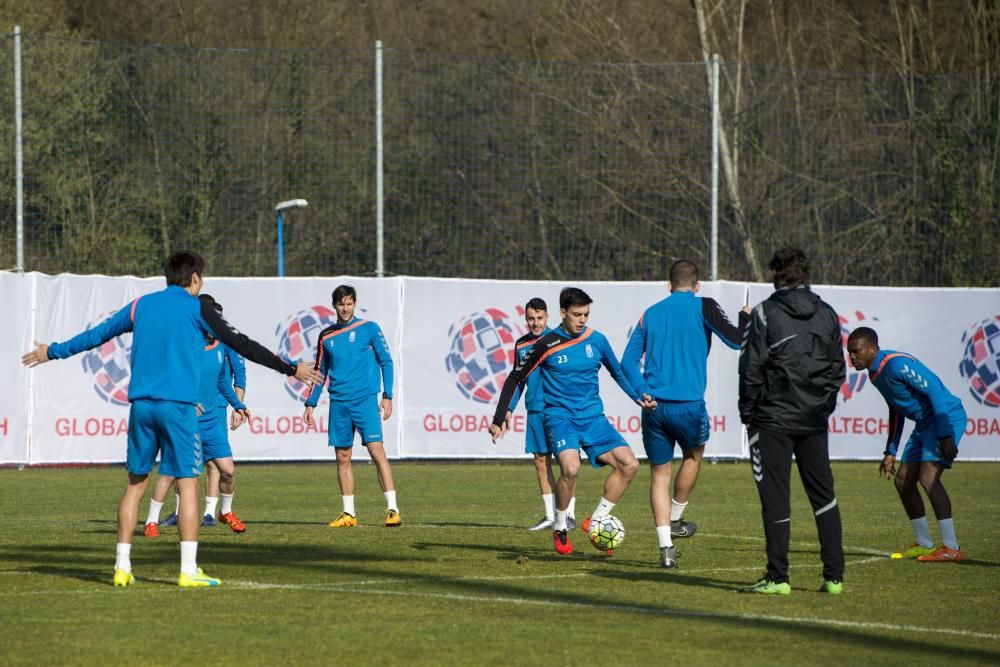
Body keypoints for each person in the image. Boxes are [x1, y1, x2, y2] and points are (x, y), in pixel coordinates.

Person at [21, 251, 322, 588]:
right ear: (194, 279)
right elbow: (242, 343)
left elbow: (97, 335)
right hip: (178, 408)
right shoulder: (198, 308)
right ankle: (188, 570)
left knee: (135, 485)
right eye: (201, 278)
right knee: (188, 484)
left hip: (142, 407)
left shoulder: (141, 306)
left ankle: (122, 567)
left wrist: (54, 351)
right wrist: (291, 368)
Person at [490, 287, 655, 555]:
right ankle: (560, 526)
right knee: (571, 468)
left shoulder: (597, 340)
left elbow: (619, 373)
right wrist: (500, 416)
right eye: (577, 314)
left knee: (630, 465)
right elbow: (515, 378)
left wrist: (639, 397)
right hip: (560, 418)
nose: (582, 320)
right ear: (563, 313)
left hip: (593, 418)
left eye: (586, 314)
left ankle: (597, 519)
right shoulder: (546, 344)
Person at [622, 259, 750, 568]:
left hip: (654, 407)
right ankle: (676, 520)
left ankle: (666, 547)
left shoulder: (649, 314)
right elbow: (736, 341)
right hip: (689, 405)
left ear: (668, 285)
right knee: (693, 456)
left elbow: (627, 363)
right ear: (697, 285)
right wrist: (745, 318)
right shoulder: (703, 305)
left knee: (659, 474)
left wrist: (641, 393)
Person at [738, 247, 846, 595]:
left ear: (775, 273)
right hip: (813, 418)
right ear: (806, 273)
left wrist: (748, 413)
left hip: (773, 418)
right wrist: (822, 406)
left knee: (775, 496)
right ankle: (834, 577)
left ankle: (778, 577)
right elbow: (837, 370)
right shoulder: (827, 313)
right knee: (823, 494)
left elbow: (751, 368)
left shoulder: (766, 312)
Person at [846, 327, 966, 562]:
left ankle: (951, 548)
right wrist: (891, 450)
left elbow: (934, 390)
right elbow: (896, 409)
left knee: (928, 477)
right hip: (924, 424)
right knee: (902, 481)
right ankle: (924, 543)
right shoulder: (874, 374)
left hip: (946, 417)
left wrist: (945, 433)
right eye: (849, 352)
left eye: (856, 351)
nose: (851, 356)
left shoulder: (896, 364)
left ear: (872, 349)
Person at [145, 297, 250, 537]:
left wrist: (239, 405)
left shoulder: (221, 346)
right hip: (185, 422)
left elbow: (223, 381)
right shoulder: (183, 347)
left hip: (212, 422)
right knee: (170, 473)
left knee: (228, 471)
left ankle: (225, 512)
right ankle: (151, 521)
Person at [303, 285, 399, 527]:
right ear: (334, 306)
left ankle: (393, 510)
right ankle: (349, 514)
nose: (345, 308)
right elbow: (320, 370)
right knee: (343, 457)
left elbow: (386, 361)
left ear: (355, 304)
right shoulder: (326, 336)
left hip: (365, 400)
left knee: (377, 452)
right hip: (339, 403)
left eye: (349, 303)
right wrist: (311, 402)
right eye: (340, 304)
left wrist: (387, 395)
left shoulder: (369, 329)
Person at [506, 298, 576, 531]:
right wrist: (508, 409)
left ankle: (569, 516)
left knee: (567, 462)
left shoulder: (557, 340)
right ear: (525, 319)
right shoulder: (521, 345)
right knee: (540, 461)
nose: (535, 323)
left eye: (540, 318)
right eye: (531, 319)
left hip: (559, 409)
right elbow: (517, 381)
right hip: (535, 410)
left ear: (548, 317)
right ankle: (549, 516)